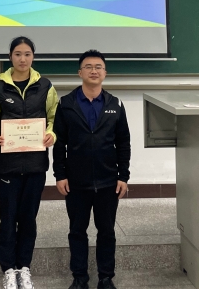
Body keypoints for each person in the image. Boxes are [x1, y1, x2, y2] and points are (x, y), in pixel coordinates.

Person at [0, 36, 59, 289]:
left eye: (27, 54)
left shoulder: (46, 86)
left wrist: (52, 134)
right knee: (8, 218)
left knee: (28, 218)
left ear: (33, 57)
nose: (22, 59)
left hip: (36, 165)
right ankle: (8, 269)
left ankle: (24, 267)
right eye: (17, 54)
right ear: (10, 57)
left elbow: (55, 118)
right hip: (7, 166)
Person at [53, 50, 131, 289]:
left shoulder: (115, 104)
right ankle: (80, 278)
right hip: (76, 181)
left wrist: (123, 176)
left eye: (98, 67)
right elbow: (59, 142)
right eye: (88, 67)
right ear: (80, 72)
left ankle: (106, 277)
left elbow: (123, 143)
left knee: (106, 231)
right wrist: (60, 174)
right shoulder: (66, 104)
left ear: (105, 73)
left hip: (108, 181)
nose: (94, 71)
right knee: (77, 231)